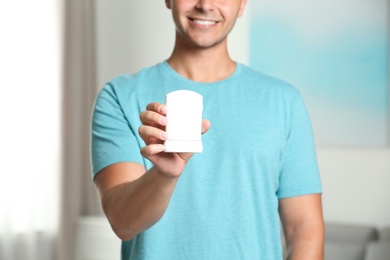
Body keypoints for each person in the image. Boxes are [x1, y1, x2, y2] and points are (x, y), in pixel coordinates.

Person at [91, 0, 324, 259]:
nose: (205, 5)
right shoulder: (119, 96)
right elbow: (123, 224)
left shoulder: (284, 102)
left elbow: (304, 228)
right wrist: (163, 176)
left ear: (242, 4)